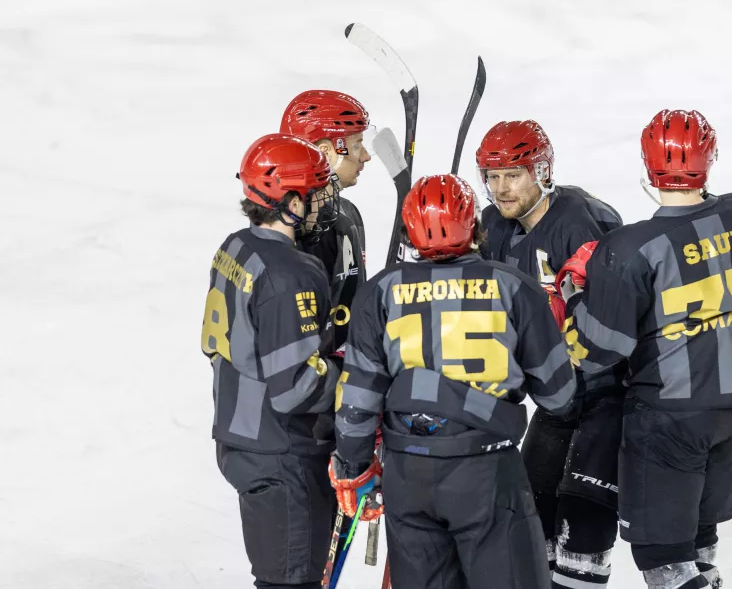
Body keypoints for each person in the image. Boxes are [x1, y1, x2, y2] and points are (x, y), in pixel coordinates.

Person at [561, 110, 732, 588]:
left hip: (670, 417)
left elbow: (594, 351)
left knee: (663, 555)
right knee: (698, 532)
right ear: (709, 159)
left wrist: (576, 295)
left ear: (648, 165)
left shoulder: (628, 248)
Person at [329, 174, 576, 589]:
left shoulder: (379, 291)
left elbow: (358, 395)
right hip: (486, 472)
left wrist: (354, 465)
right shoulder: (514, 286)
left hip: (407, 473)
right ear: (474, 224)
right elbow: (559, 396)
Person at [475, 119, 624, 588]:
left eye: (513, 174)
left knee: (583, 531)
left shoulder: (580, 221)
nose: (501, 188)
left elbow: (613, 322)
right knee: (531, 524)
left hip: (608, 393)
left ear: (541, 171)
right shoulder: (493, 224)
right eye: (492, 176)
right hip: (556, 396)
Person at [201, 134, 344, 589]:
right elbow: (295, 388)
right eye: (314, 191)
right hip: (282, 453)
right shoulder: (292, 273)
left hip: (240, 436)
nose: (322, 200)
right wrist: (350, 377)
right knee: (290, 582)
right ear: (291, 203)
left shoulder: (235, 246)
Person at [280, 90, 372, 352]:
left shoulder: (348, 212)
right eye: (356, 145)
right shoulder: (291, 230)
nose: (365, 156)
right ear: (325, 153)